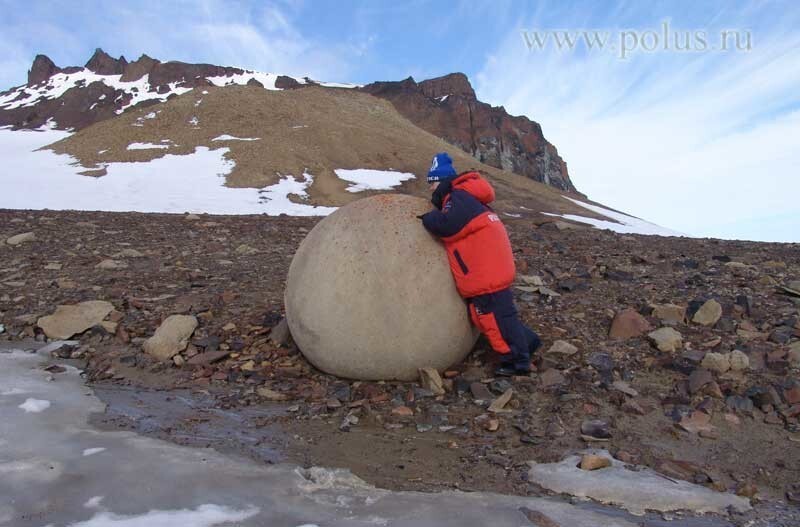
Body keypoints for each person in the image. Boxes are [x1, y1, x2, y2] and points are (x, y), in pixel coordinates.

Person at [419, 152, 541, 376]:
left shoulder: (459, 198)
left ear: (443, 181)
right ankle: (528, 343)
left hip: (487, 276)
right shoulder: (465, 198)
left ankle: (516, 362)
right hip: (489, 273)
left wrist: (427, 218)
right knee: (489, 317)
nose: (430, 189)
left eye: (433, 182)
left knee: (494, 319)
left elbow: (448, 225)